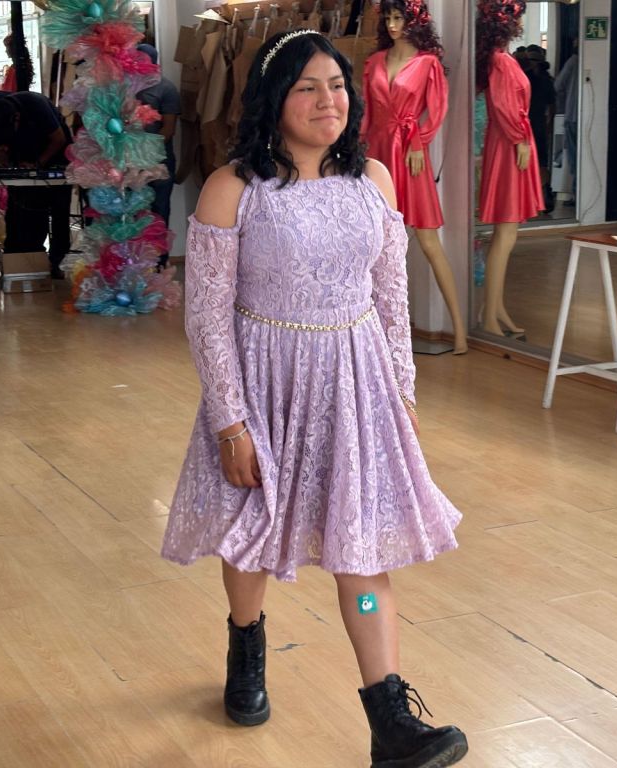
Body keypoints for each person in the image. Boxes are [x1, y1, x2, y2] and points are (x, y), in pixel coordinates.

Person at [160, 29, 467, 768]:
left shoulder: (375, 180)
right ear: (275, 99)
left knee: (360, 545)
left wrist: (403, 391)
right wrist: (229, 420)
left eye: (337, 86)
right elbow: (207, 316)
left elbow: (391, 298)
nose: (328, 101)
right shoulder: (234, 188)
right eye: (307, 88)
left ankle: (390, 719)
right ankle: (246, 645)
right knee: (253, 528)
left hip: (356, 384)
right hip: (264, 382)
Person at [362, 0, 467, 354]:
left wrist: (419, 142)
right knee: (376, 246)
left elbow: (437, 111)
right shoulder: (374, 62)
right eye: (388, 18)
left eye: (399, 18)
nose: (393, 25)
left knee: (429, 242)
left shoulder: (428, 64)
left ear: (415, 20)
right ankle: (379, 335)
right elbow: (367, 114)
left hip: (410, 155)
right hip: (377, 154)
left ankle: (459, 330)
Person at [475, 0, 544, 338]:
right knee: (506, 232)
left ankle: (495, 309)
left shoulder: (498, 58)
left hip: (509, 142)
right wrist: (520, 140)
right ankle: (490, 315)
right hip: (508, 146)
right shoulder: (501, 60)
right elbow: (504, 106)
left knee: (507, 232)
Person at [0, 92, 73, 277]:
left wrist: (38, 164)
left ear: (17, 117)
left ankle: (58, 262)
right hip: (26, 158)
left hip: (56, 157)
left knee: (59, 212)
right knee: (20, 208)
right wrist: (3, 161)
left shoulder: (37, 106)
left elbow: (59, 139)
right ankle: (19, 260)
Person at [136, 43, 181, 268]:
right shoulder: (126, 87)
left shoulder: (166, 88)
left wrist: (146, 151)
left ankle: (159, 262)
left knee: (159, 211)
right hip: (130, 163)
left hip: (159, 162)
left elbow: (169, 129)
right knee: (133, 211)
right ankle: (135, 262)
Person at [522, 45, 556, 212]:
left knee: (526, 162)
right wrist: (549, 124)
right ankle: (544, 195)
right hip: (539, 124)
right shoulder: (547, 80)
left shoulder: (525, 78)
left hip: (526, 124)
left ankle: (530, 197)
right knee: (541, 161)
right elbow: (552, 105)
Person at [554, 37, 579, 186]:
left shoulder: (572, 61)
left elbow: (558, 86)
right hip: (586, 118)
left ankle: (576, 192)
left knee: (574, 157)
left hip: (572, 115)